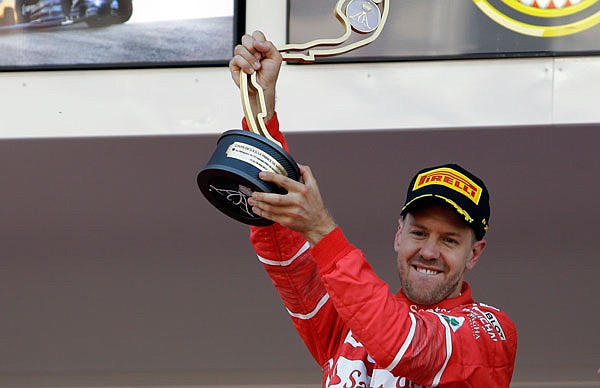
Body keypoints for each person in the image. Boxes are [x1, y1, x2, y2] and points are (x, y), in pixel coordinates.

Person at [229, 30, 518, 387]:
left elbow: (406, 346)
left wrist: (321, 230)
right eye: (419, 232)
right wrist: (260, 113)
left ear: (474, 253)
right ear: (398, 234)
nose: (428, 251)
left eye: (449, 241)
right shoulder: (354, 320)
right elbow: (289, 257)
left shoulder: (488, 330)